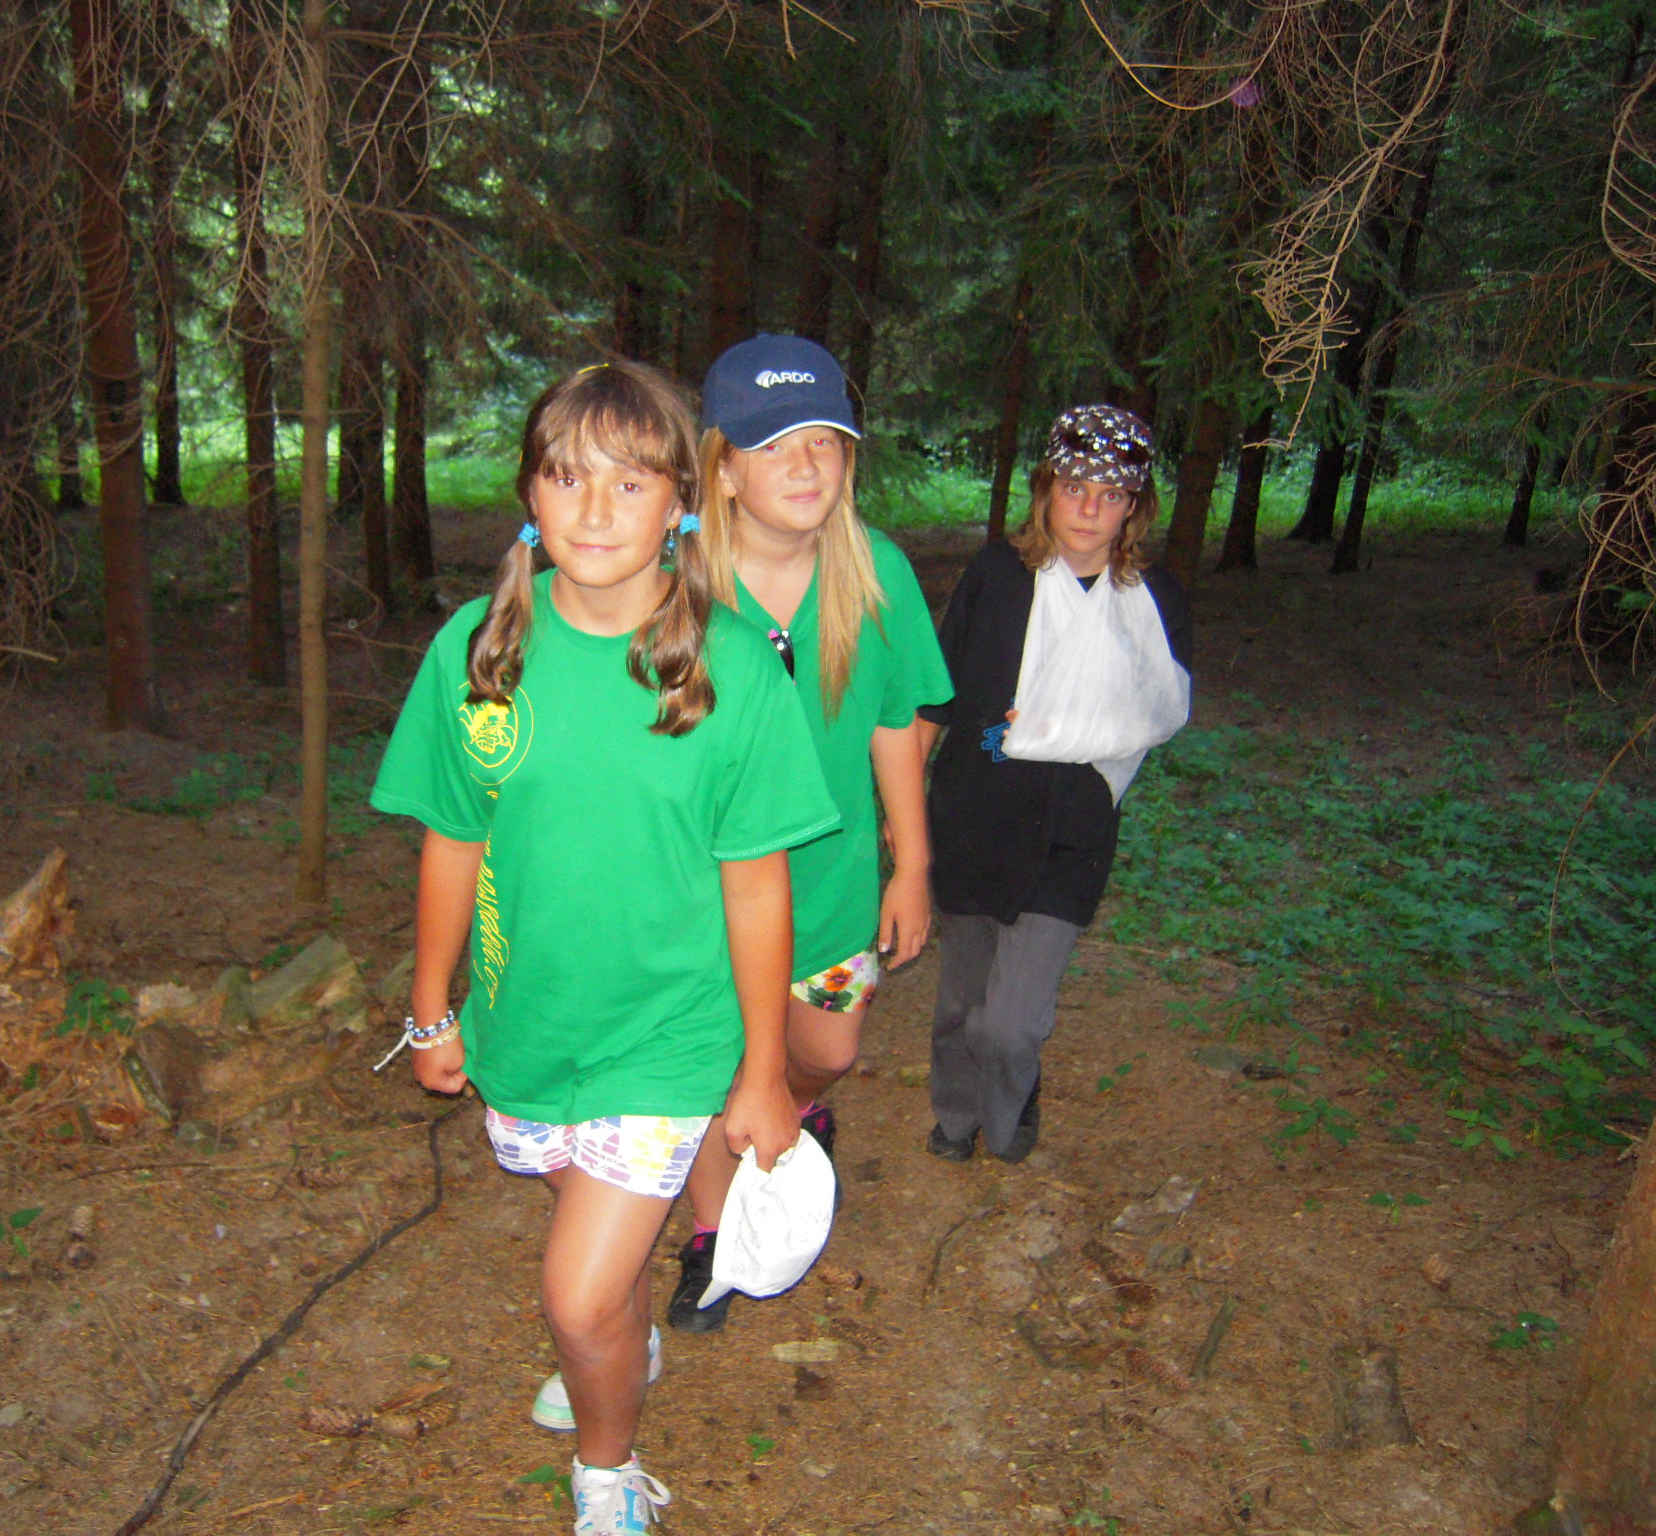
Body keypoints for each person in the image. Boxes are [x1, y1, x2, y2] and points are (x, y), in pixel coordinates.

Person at [369, 361, 837, 1535]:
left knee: (575, 1297)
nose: (591, 511)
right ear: (529, 494)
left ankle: (607, 1468)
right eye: (565, 477)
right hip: (529, 1025)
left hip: (669, 1036)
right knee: (595, 1260)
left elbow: (756, 885)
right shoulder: (478, 651)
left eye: (627, 484)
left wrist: (762, 1071)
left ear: (680, 499)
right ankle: (622, 1346)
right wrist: (430, 1009)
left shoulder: (730, 668)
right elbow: (451, 840)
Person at [667, 335, 953, 1334]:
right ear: (722, 469)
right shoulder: (676, 584)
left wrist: (911, 863)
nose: (803, 465)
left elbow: (897, 720)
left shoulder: (875, 572)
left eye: (822, 441)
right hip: (705, 895)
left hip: (831, 884)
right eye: (771, 444)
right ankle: (715, 1233)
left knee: (826, 1049)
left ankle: (787, 1100)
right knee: (713, 1070)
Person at [913, 404, 1192, 1165]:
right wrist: (904, 815)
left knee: (1010, 1023)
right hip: (973, 813)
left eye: (1110, 494)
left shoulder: (1154, 601)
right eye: (1075, 488)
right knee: (962, 1004)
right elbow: (936, 698)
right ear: (1047, 491)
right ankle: (956, 1117)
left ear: (1134, 507)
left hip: (1073, 828)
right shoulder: (998, 577)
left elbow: (1157, 712)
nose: (1089, 508)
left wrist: (1063, 723)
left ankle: (1010, 1110)